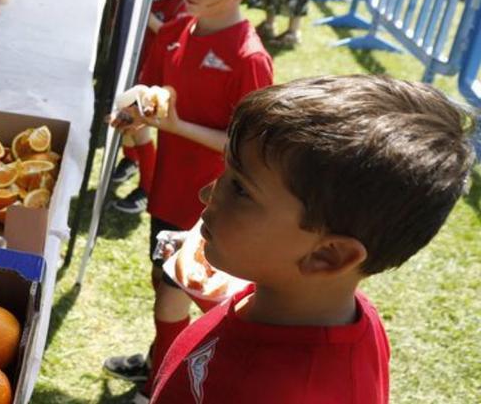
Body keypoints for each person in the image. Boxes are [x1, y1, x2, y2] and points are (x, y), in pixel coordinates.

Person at [150, 75, 474, 404]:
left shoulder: (280, 392)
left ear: (328, 256)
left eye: (240, 189)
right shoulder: (294, 303)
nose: (207, 193)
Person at [102, 0, 276, 399]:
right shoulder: (180, 25)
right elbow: (153, 88)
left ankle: (169, 378)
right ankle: (164, 357)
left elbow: (250, 149)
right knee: (164, 281)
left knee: (186, 288)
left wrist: (176, 126)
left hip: (211, 202)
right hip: (168, 189)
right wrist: (134, 113)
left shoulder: (248, 57)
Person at [107, 0, 196, 216]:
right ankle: (131, 160)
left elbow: (173, 34)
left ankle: (147, 188)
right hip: (133, 61)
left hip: (153, 71)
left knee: (140, 128)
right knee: (126, 124)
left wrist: (141, 11)